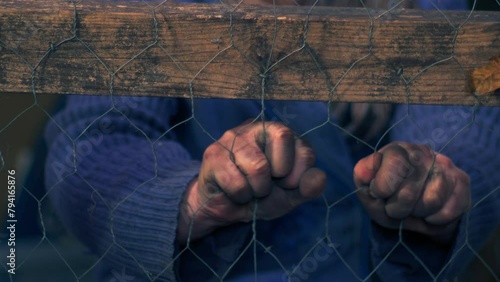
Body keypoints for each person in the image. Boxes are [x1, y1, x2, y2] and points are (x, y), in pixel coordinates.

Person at [43, 0, 498, 281]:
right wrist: (192, 198)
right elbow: (90, 144)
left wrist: (433, 183)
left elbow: (467, 118)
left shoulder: (426, 5)